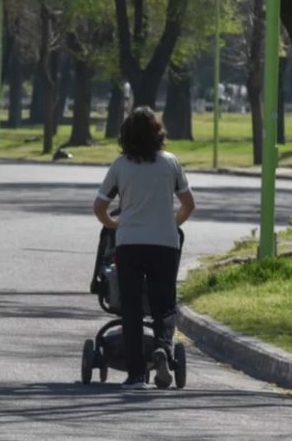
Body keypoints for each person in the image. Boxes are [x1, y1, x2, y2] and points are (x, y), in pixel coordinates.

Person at [92, 107, 195, 390]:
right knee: (164, 305)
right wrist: (172, 224)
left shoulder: (120, 166)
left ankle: (137, 373)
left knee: (132, 308)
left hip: (130, 244)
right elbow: (188, 204)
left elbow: (99, 206)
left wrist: (114, 225)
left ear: (126, 136)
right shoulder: (170, 163)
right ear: (158, 134)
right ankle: (162, 348)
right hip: (164, 244)